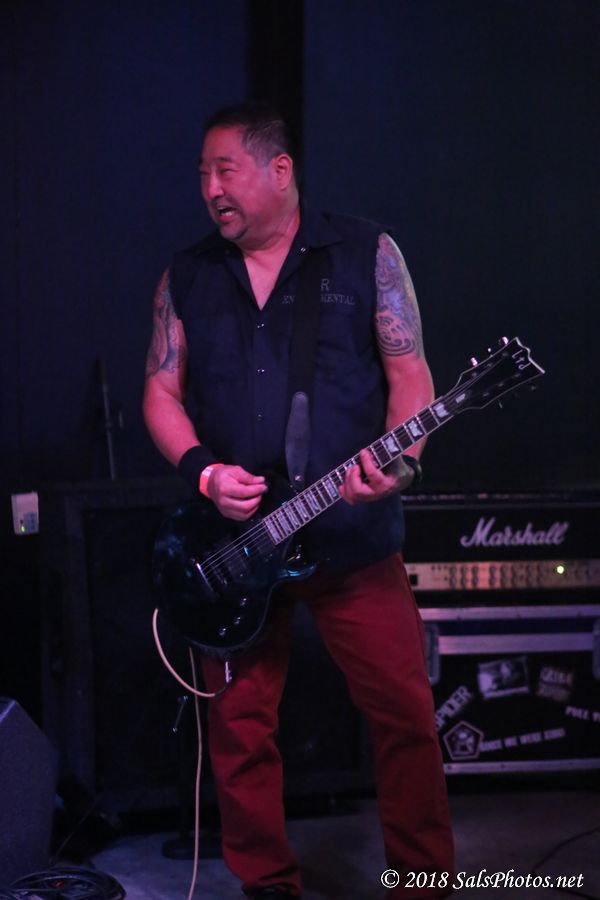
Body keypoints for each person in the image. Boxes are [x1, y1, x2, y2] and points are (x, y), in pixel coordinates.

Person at [143, 101, 454, 900]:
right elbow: (160, 393)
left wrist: (401, 466)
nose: (210, 189)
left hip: (351, 537)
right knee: (239, 730)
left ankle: (425, 883)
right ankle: (268, 887)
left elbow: (411, 376)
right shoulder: (187, 275)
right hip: (237, 543)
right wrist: (204, 474)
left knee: (406, 717)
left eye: (226, 170)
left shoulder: (365, 253)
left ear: (279, 170)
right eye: (202, 174)